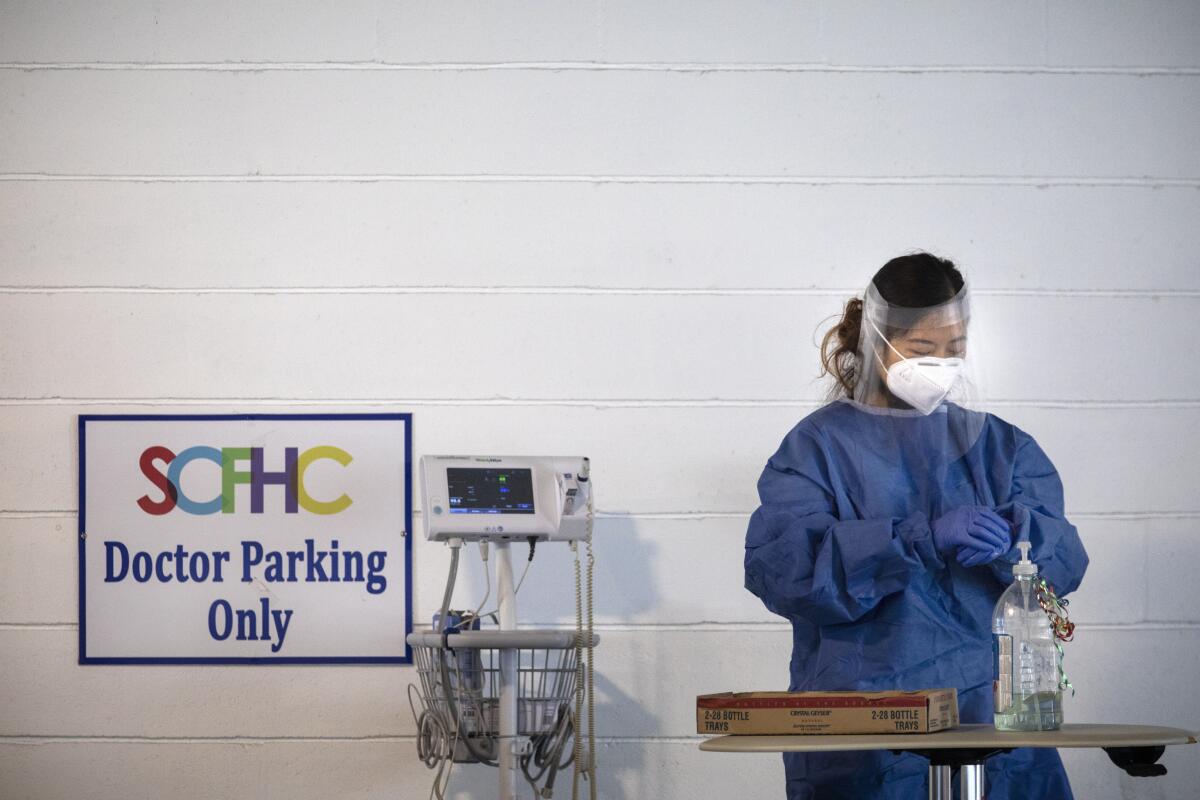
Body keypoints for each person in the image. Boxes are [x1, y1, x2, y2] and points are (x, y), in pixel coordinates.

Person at [744, 253, 1088, 799]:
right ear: (878, 343)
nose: (942, 366)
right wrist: (918, 538)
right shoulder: (817, 449)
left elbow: (1063, 567)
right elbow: (783, 569)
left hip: (993, 724)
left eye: (955, 350)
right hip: (863, 724)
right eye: (923, 351)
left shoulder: (1003, 449)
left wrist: (1018, 540)